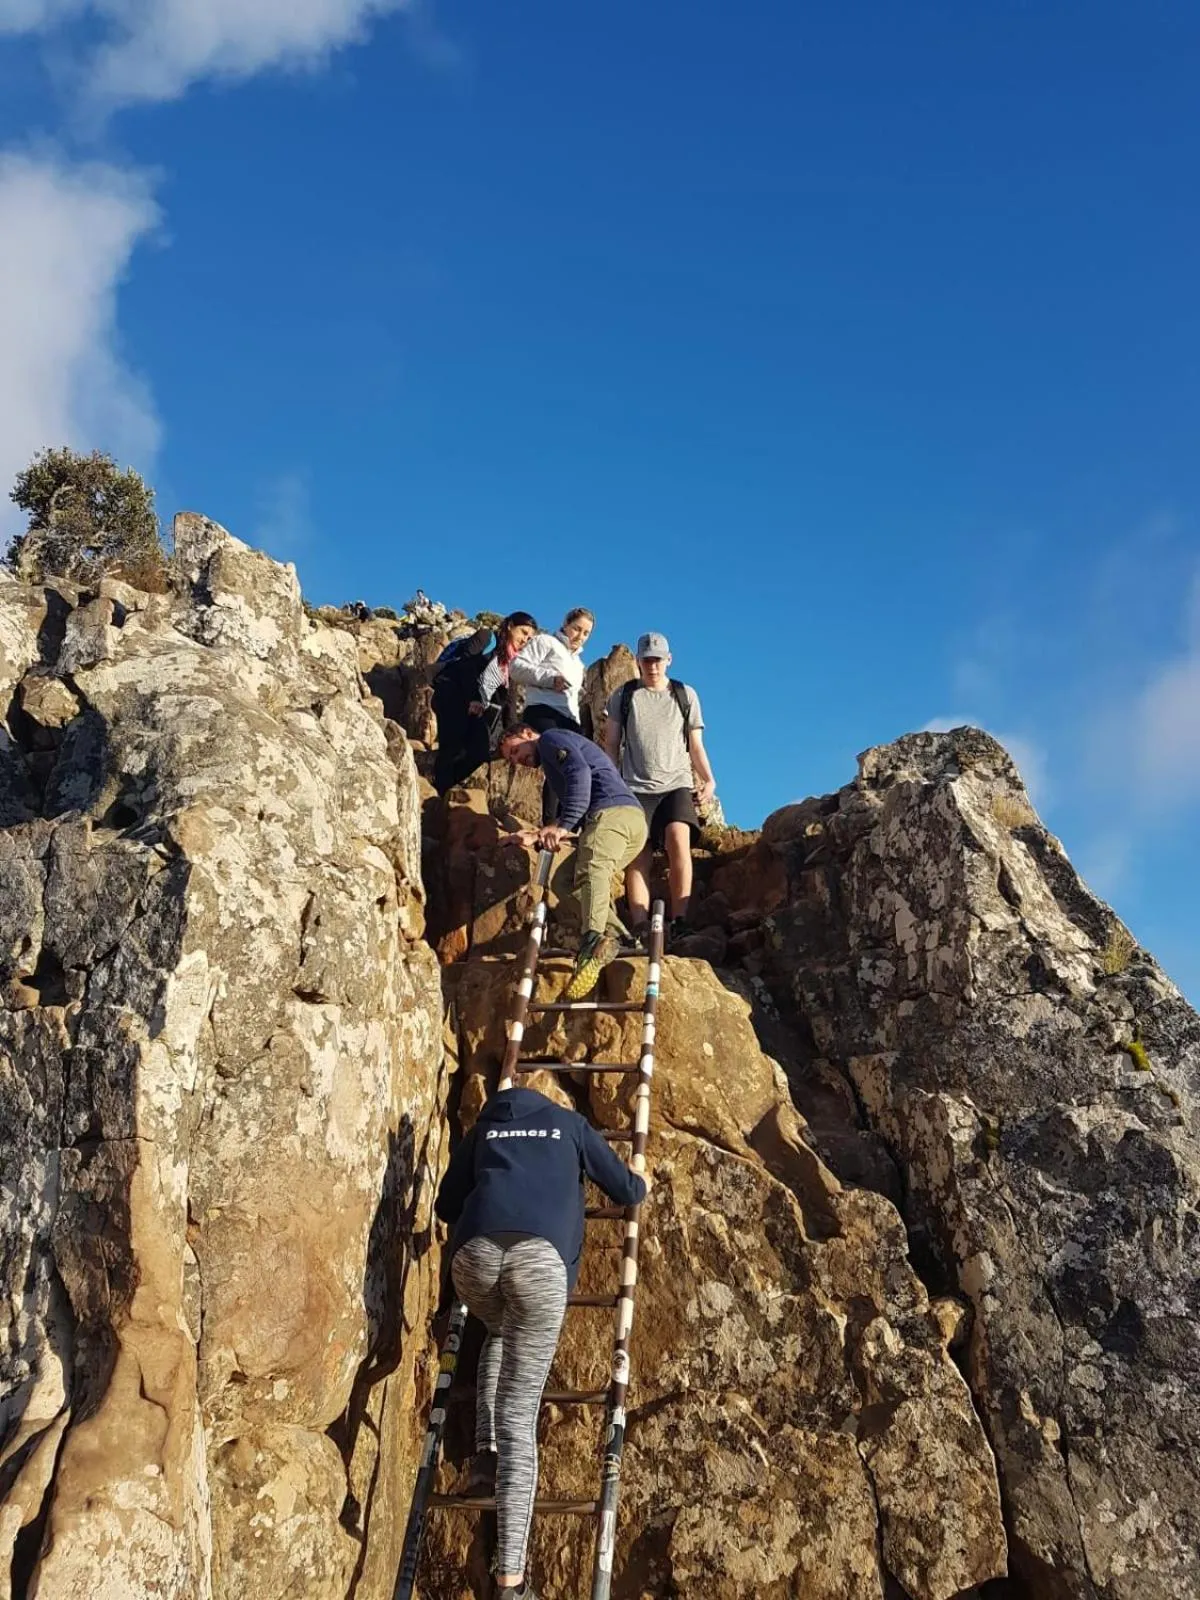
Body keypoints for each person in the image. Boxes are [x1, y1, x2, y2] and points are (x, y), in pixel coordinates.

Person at [435, 1085, 648, 1600]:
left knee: (499, 1332)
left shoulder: (487, 1126)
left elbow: (445, 1205)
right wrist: (640, 1178)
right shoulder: (571, 1126)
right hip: (539, 1265)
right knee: (519, 1412)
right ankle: (511, 1580)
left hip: (473, 1259)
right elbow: (626, 1190)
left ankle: (485, 1458)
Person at [499, 724, 648, 999]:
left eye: (516, 750)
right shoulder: (552, 764)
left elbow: (579, 775)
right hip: (620, 822)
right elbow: (577, 805)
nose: (517, 760)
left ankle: (592, 944)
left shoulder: (551, 739)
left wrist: (563, 825)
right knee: (564, 882)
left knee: (593, 870)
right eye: (512, 759)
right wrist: (536, 835)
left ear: (529, 734)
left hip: (612, 814)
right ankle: (620, 940)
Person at [603, 632, 716, 943]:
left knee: (678, 839)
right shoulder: (623, 696)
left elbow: (695, 744)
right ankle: (640, 926)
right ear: (638, 661)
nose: (652, 666)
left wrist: (708, 779)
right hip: (633, 787)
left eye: (657, 660)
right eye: (646, 660)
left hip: (675, 784)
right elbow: (611, 742)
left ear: (668, 660)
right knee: (638, 854)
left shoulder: (684, 694)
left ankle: (680, 921)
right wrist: (610, 782)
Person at [431, 612, 538, 796]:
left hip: (477, 708)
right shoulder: (487, 637)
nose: (525, 639)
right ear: (510, 626)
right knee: (452, 743)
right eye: (523, 632)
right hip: (453, 693)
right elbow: (465, 664)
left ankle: (442, 787)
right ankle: (436, 792)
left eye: (529, 637)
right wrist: (473, 697)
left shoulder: (512, 664)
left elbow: (510, 702)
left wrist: (514, 730)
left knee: (481, 751)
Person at [507, 608, 595, 821]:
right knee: (558, 760)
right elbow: (516, 667)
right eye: (577, 629)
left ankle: (573, 822)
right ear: (565, 624)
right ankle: (550, 823)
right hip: (543, 709)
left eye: (586, 633)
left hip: (569, 718)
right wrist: (550, 678)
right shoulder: (546, 642)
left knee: (577, 766)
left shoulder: (578, 663)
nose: (580, 636)